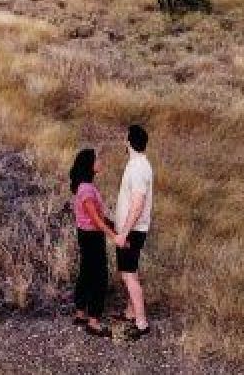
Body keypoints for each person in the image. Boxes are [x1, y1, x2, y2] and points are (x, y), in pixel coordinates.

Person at [69, 148, 119, 338]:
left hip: (86, 235)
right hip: (92, 238)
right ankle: (94, 322)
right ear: (89, 164)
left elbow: (98, 217)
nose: (101, 161)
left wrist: (112, 225)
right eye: (97, 159)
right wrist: (113, 236)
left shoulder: (85, 186)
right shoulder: (86, 189)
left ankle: (80, 314)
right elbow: (95, 220)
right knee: (99, 278)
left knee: (86, 273)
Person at [113, 123, 153, 338]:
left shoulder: (137, 168)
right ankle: (130, 312)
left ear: (128, 142)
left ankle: (141, 322)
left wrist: (123, 233)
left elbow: (138, 204)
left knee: (129, 276)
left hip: (132, 231)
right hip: (133, 229)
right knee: (130, 273)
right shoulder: (139, 164)